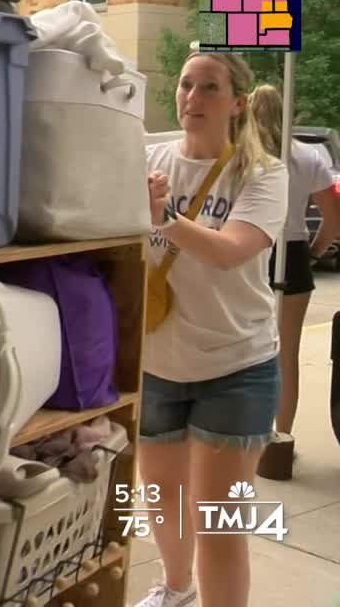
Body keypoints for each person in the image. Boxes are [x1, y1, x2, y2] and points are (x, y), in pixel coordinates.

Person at [135, 51, 288, 607]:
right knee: (163, 502)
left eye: (209, 88)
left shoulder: (263, 173)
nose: (192, 99)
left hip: (236, 367)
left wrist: (165, 219)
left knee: (218, 522)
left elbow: (230, 252)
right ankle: (174, 589)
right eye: (185, 85)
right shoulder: (146, 157)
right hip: (158, 366)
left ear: (238, 103)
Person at [248, 84, 340, 479]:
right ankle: (280, 440)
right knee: (287, 353)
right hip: (296, 252)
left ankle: (246, 436)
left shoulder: (244, 155)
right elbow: (333, 219)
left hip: (252, 250)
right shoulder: (310, 155)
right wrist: (315, 253)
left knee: (247, 351)